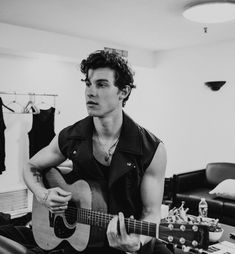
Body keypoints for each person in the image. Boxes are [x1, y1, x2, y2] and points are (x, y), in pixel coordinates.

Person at [0, 50, 172, 254]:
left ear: (123, 92)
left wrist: (137, 242)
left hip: (129, 241)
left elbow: (151, 212)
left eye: (101, 84)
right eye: (88, 83)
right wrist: (43, 194)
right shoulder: (72, 136)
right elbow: (31, 166)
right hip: (76, 240)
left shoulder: (151, 149)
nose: (90, 92)